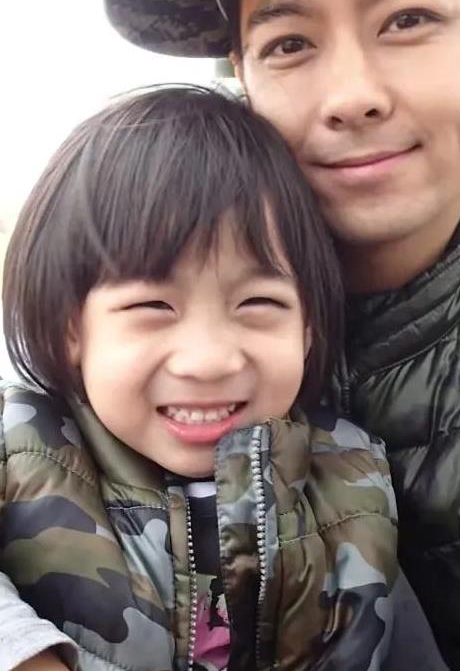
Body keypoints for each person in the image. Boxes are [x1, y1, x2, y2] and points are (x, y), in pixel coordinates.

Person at [102, 0, 460, 670]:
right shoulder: (110, 346)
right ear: (244, 77)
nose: (352, 98)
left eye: (408, 20)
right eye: (289, 44)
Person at [0, 85, 399, 670]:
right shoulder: (20, 449)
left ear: (308, 329)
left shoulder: (353, 485)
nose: (209, 360)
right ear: (70, 328)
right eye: (153, 307)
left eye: (258, 303)